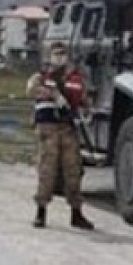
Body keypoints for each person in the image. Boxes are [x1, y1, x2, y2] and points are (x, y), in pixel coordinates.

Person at [26, 43, 94, 230]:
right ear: (49, 56)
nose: (59, 57)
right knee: (47, 170)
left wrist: (86, 108)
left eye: (62, 54)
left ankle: (76, 213)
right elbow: (31, 89)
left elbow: (82, 97)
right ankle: (41, 212)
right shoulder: (42, 75)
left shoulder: (75, 77)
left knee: (73, 171)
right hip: (48, 127)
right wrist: (53, 94)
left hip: (67, 128)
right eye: (56, 54)